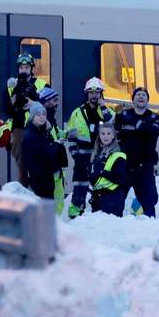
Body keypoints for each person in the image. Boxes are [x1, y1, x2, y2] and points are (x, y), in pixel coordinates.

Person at [66, 77, 115, 218]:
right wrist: (74, 152)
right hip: (82, 155)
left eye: (97, 92)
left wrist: (104, 109)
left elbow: (114, 126)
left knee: (101, 183)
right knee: (80, 183)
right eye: (91, 92)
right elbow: (71, 135)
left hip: (101, 155)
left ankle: (100, 212)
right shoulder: (77, 113)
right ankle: (75, 212)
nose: (94, 95)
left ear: (101, 94)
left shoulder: (107, 111)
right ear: (87, 94)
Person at [116, 87, 159, 217]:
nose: (141, 97)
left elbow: (154, 133)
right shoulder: (122, 116)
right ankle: (114, 223)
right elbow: (115, 134)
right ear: (133, 99)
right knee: (117, 200)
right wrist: (141, 127)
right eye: (138, 95)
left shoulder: (155, 117)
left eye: (144, 95)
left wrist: (133, 128)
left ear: (148, 101)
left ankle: (150, 223)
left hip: (145, 165)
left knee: (149, 201)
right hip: (124, 164)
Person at [6, 53, 47, 185]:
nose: (23, 70)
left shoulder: (42, 85)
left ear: (31, 68)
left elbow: (49, 106)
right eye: (21, 68)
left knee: (38, 161)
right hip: (19, 129)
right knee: (22, 165)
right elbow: (5, 109)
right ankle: (23, 189)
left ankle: (38, 188)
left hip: (37, 129)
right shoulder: (11, 85)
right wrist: (13, 100)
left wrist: (32, 103)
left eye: (26, 67)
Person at [21, 101, 69, 213]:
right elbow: (44, 153)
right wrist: (55, 144)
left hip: (47, 177)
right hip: (40, 179)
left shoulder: (42, 131)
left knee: (50, 208)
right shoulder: (31, 135)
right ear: (32, 117)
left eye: (44, 114)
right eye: (38, 114)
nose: (42, 117)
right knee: (45, 210)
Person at [88, 121, 129, 217]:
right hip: (98, 197)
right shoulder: (97, 154)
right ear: (99, 136)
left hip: (112, 198)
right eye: (103, 133)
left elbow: (120, 178)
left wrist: (103, 173)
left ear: (113, 136)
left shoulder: (119, 155)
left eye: (108, 133)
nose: (105, 136)